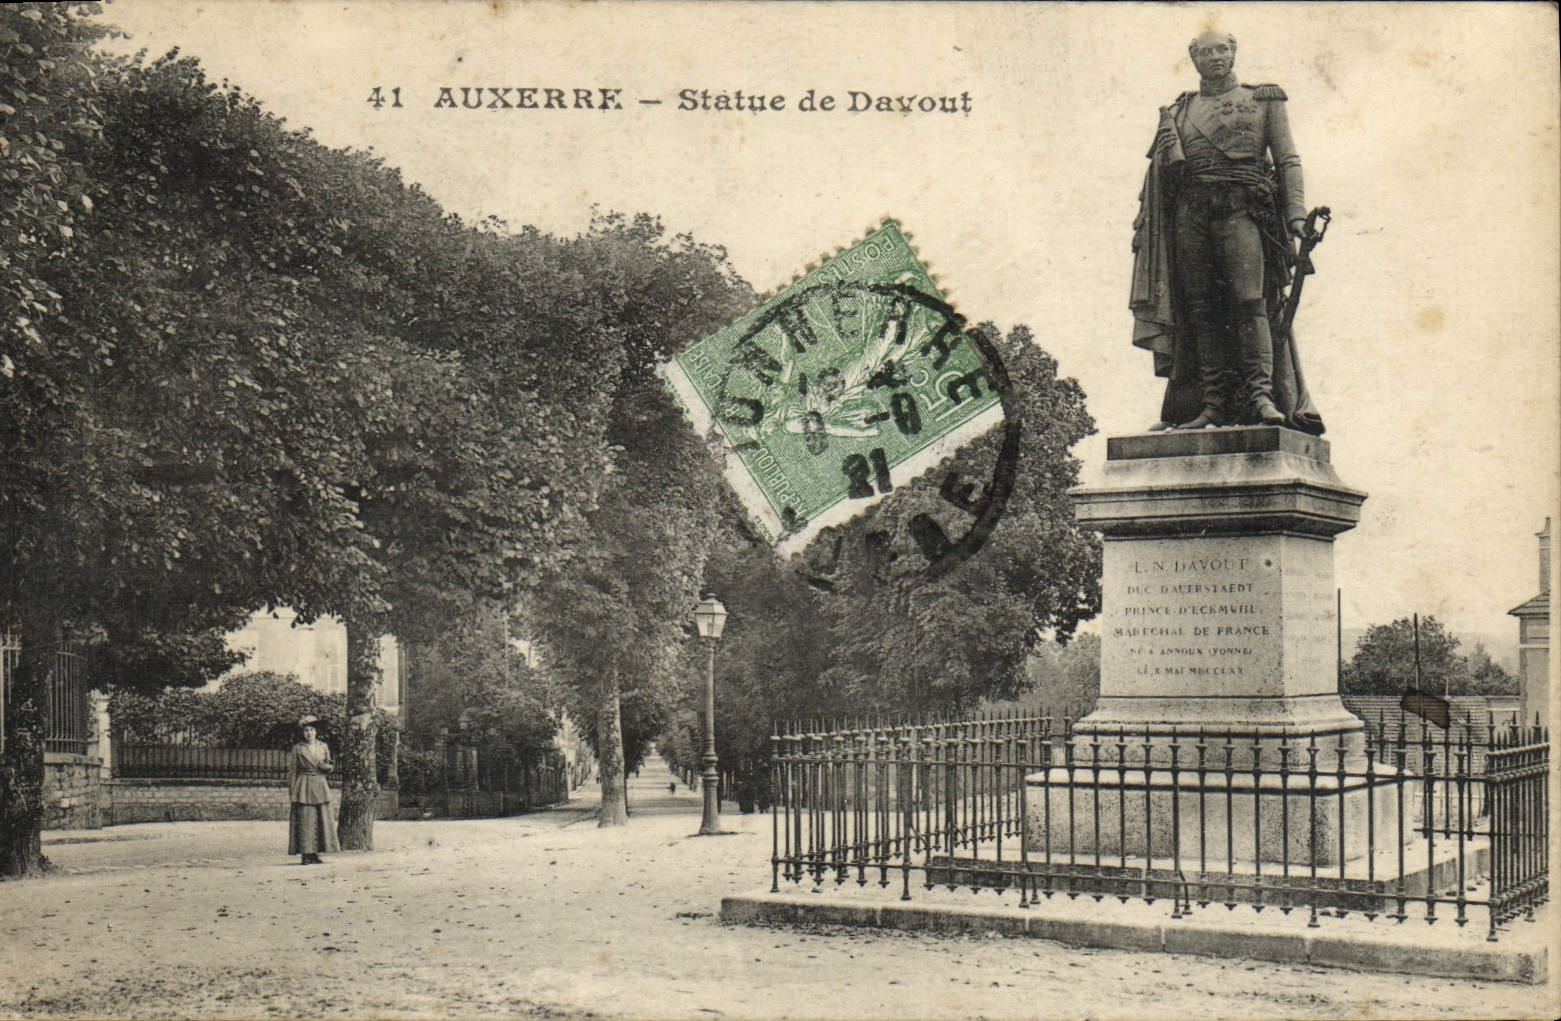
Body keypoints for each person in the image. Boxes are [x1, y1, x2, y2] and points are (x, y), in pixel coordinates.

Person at [1129, 30, 1324, 434]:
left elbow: (1287, 160)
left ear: (1234, 53)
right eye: (1206, 52)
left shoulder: (1263, 99)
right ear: (1194, 59)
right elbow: (1163, 176)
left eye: (1222, 50)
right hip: (1191, 215)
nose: (1215, 57)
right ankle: (1212, 406)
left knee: (1251, 303)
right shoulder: (1179, 111)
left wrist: (1296, 216)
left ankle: (1262, 397)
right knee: (1201, 310)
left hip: (1241, 210)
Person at [287, 715, 339, 865]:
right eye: (306, 730)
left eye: (311, 730)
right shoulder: (298, 748)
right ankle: (306, 853)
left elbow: (329, 764)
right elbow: (293, 771)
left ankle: (315, 853)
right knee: (306, 821)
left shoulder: (323, 746)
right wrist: (292, 791)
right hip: (304, 786)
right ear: (302, 733)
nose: (309, 733)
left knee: (320, 820)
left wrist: (327, 767)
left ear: (316, 731)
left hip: (320, 784)